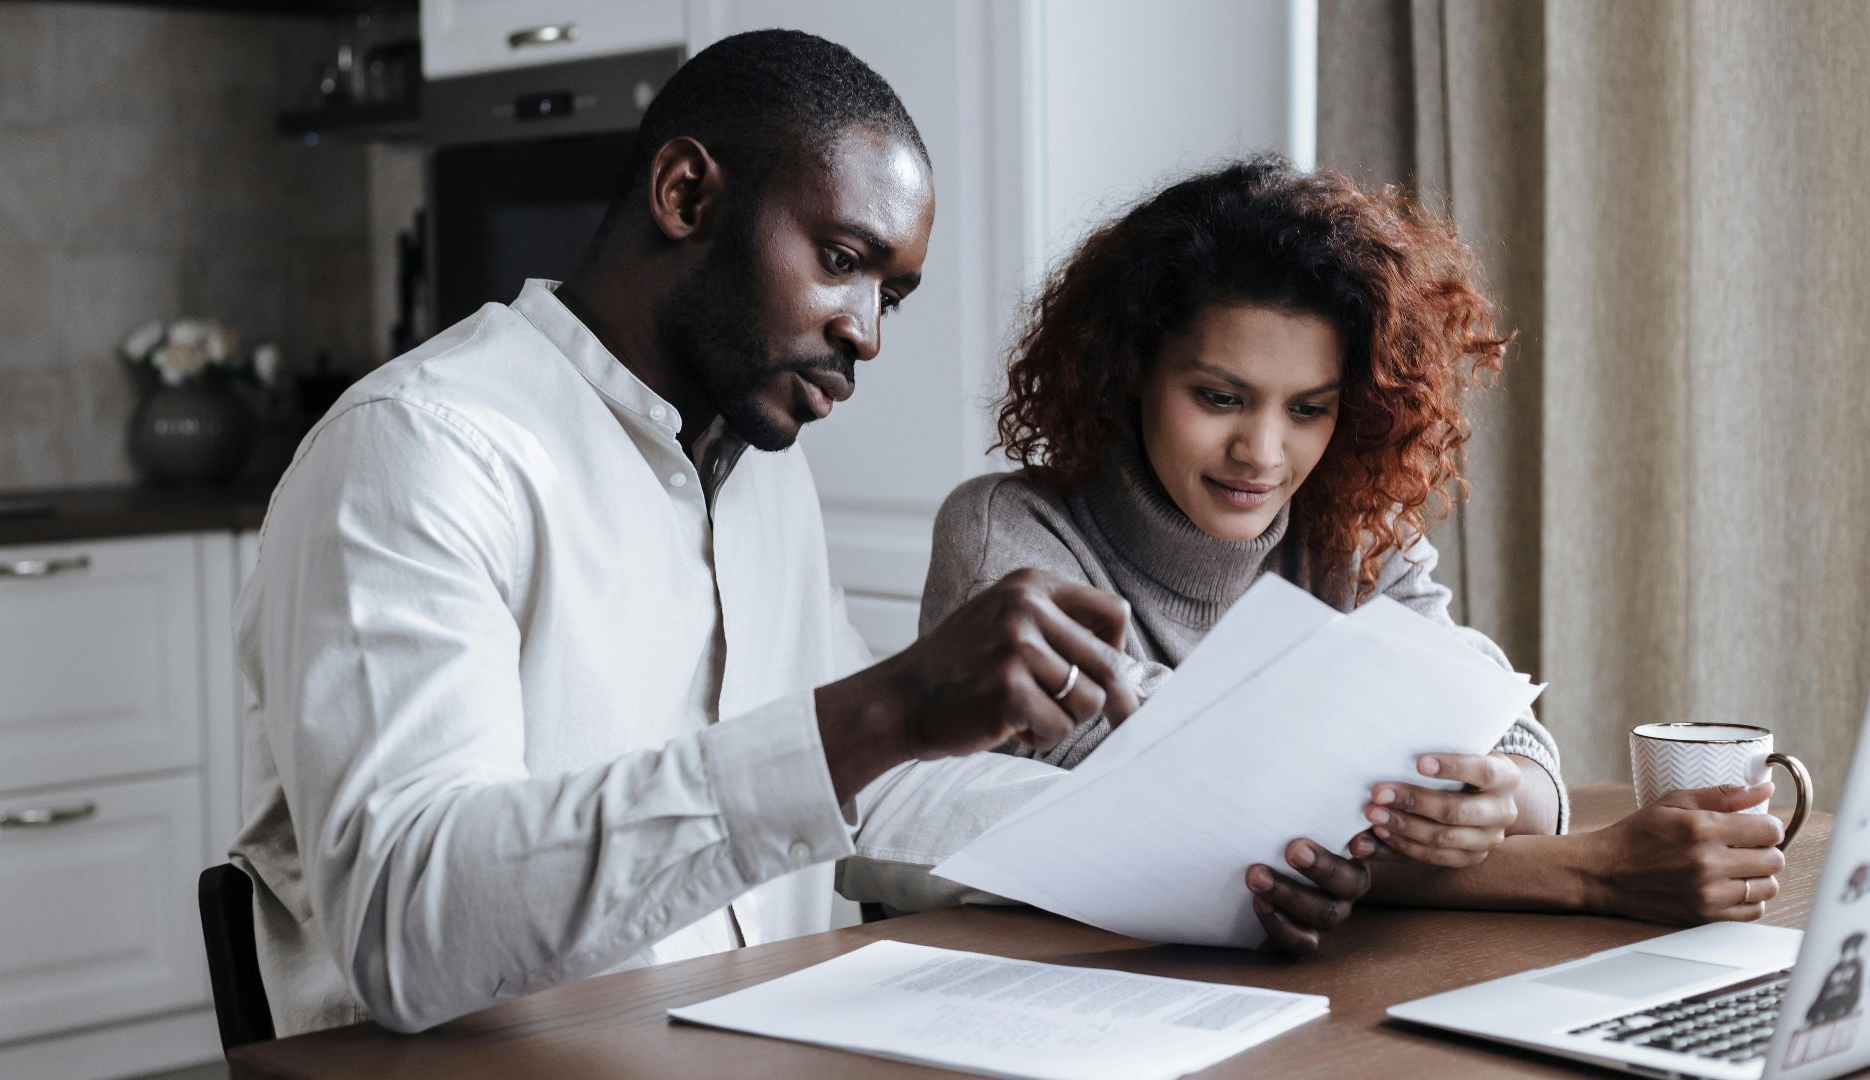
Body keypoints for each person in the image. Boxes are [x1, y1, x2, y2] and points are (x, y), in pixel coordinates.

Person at [231, 29, 1149, 1036]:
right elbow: (411, 927)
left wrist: (1193, 845)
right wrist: (882, 710)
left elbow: (859, 801)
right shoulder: (421, 451)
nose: (866, 331)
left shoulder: (762, 477)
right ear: (685, 196)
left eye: (890, 293)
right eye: (842, 259)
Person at [909, 156, 1787, 951]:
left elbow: (1499, 721)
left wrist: (1495, 798)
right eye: (1219, 397)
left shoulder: (1353, 532)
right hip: (1052, 986)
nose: (1261, 453)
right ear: (1128, 370)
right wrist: (1590, 871)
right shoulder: (1010, 536)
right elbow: (1186, 827)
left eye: (1307, 409)